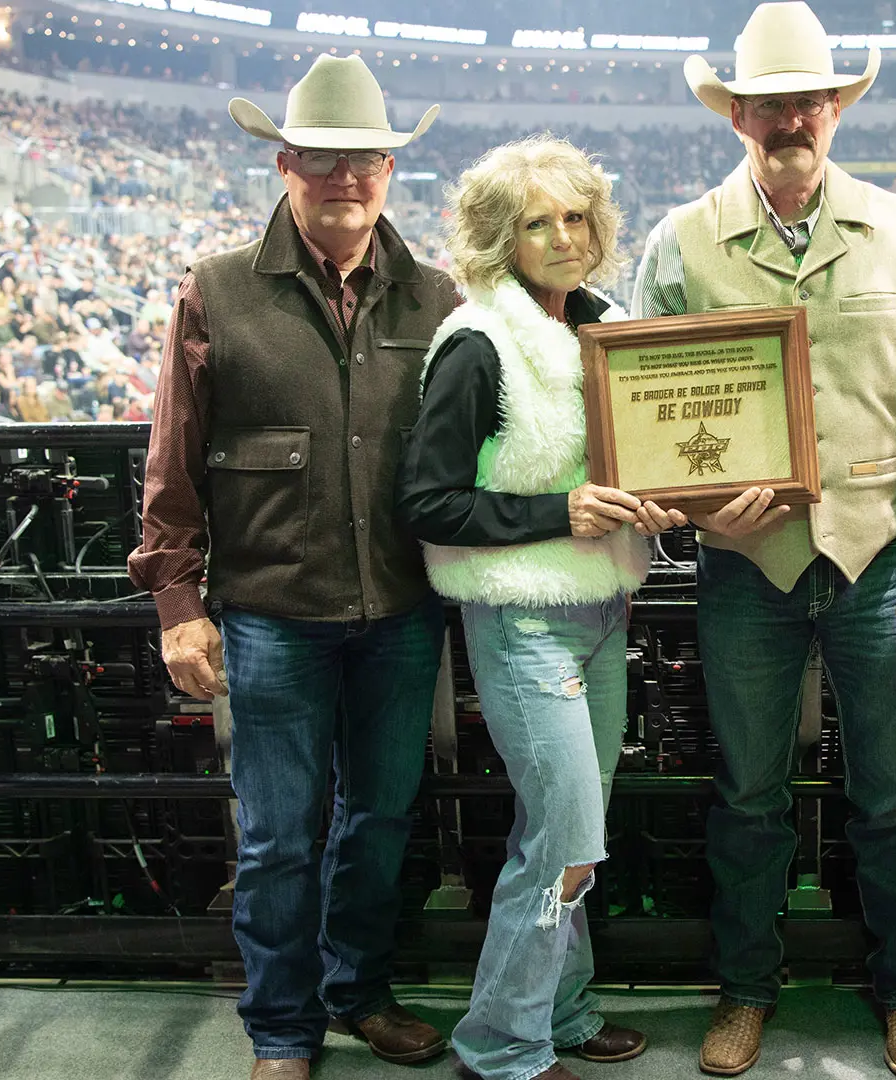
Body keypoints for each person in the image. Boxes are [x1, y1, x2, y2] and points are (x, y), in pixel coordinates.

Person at [634, 4, 896, 1076]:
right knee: (747, 796)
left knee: (895, 797)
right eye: (771, 103)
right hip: (747, 566)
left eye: (810, 101)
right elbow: (646, 417)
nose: (792, 118)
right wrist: (698, 513)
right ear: (736, 115)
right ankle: (745, 990)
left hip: (881, 561)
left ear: (835, 109)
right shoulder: (679, 241)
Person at [127, 56, 459, 1080]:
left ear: (391, 169)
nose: (343, 176)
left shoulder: (438, 297)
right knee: (275, 838)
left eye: (365, 159)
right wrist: (177, 603)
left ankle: (358, 992)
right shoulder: (217, 288)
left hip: (402, 610)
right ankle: (281, 1026)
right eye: (320, 157)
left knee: (380, 821)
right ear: (284, 164)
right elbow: (173, 461)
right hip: (270, 613)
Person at [396, 134, 671, 1080]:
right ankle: (501, 1045)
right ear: (499, 239)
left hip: (603, 611)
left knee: (567, 833)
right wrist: (564, 511)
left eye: (576, 217)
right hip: (522, 620)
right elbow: (426, 502)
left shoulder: (610, 327)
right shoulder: (478, 341)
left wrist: (662, 499)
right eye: (537, 223)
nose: (564, 237)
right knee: (566, 843)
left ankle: (564, 1011)